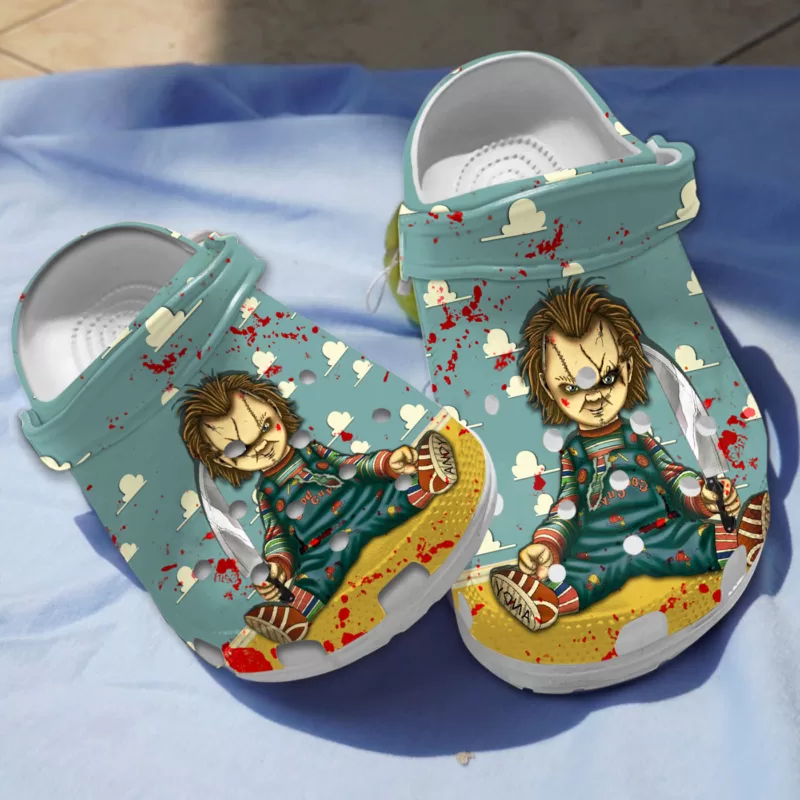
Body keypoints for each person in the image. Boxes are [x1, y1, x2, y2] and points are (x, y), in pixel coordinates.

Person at [491, 281, 768, 631]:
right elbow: (567, 507)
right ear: (548, 387)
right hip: (598, 549)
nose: (594, 397)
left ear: (628, 366)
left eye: (607, 378)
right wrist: (548, 544)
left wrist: (704, 496)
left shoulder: (637, 438)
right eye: (572, 387)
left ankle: (736, 542)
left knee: (692, 540)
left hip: (658, 531)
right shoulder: (574, 452)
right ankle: (545, 601)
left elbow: (672, 475)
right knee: (580, 575)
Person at [181, 372, 457, 642]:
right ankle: (295, 615)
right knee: (320, 566)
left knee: (390, 498)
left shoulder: (310, 451)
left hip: (364, 501)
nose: (261, 446)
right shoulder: (267, 492)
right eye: (240, 449)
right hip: (324, 540)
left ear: (275, 409)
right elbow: (278, 534)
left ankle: (429, 477)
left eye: (264, 427)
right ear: (225, 461)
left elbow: (348, 465)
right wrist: (278, 566)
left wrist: (386, 463)